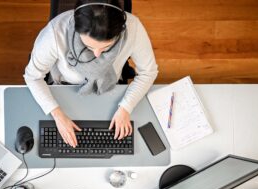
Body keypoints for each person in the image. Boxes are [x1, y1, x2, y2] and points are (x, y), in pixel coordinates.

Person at [24, 0, 158, 148]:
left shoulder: (134, 28)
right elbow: (33, 76)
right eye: (88, 46)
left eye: (107, 47)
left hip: (110, 88)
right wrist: (57, 115)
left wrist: (126, 107)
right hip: (65, 89)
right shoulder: (56, 33)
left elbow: (148, 72)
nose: (97, 54)